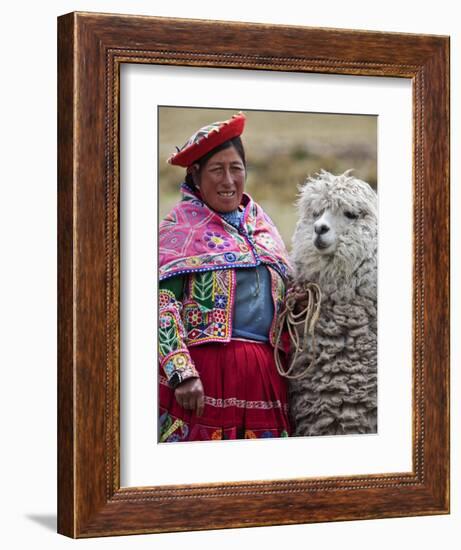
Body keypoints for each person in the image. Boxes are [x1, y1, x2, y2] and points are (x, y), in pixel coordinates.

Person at [158, 112, 292, 442]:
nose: (228, 180)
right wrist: (181, 373)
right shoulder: (180, 230)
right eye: (217, 170)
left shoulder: (262, 227)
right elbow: (160, 304)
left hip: (264, 378)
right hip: (204, 378)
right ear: (196, 175)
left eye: (236, 169)